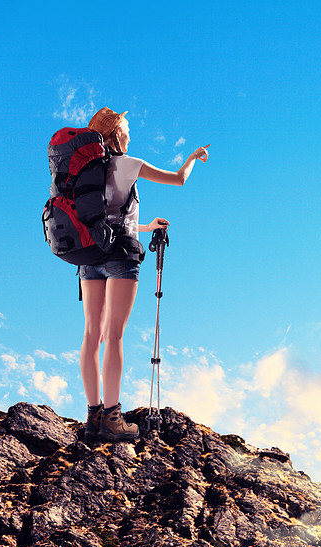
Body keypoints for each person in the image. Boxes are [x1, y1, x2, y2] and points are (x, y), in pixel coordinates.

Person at [81, 107, 209, 442]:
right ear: (116, 134)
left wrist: (147, 226)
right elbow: (178, 179)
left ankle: (93, 417)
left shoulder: (85, 172)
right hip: (121, 258)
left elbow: (106, 221)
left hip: (89, 256)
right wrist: (193, 158)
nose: (130, 133)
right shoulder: (127, 164)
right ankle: (111, 419)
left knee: (91, 335)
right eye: (126, 128)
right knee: (115, 336)